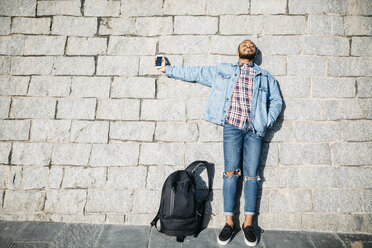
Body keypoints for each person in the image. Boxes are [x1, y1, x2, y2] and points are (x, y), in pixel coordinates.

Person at [155, 40, 282, 246]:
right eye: (244, 44)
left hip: (255, 129)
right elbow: (196, 73)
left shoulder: (265, 76)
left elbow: (276, 101)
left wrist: (266, 121)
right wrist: (168, 69)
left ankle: (248, 224)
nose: (248, 46)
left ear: (256, 52)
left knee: (252, 176)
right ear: (238, 51)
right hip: (232, 126)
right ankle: (229, 223)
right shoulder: (223, 70)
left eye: (251, 45)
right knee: (230, 174)